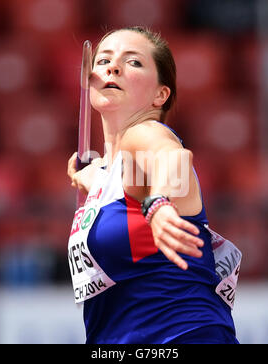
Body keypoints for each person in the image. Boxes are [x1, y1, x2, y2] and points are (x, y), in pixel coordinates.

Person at [67, 26, 240, 344]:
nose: (113, 66)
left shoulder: (144, 134)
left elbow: (171, 158)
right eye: (103, 60)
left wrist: (159, 204)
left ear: (160, 94)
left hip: (181, 336)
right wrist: (88, 177)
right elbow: (114, 178)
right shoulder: (106, 174)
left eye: (133, 62)